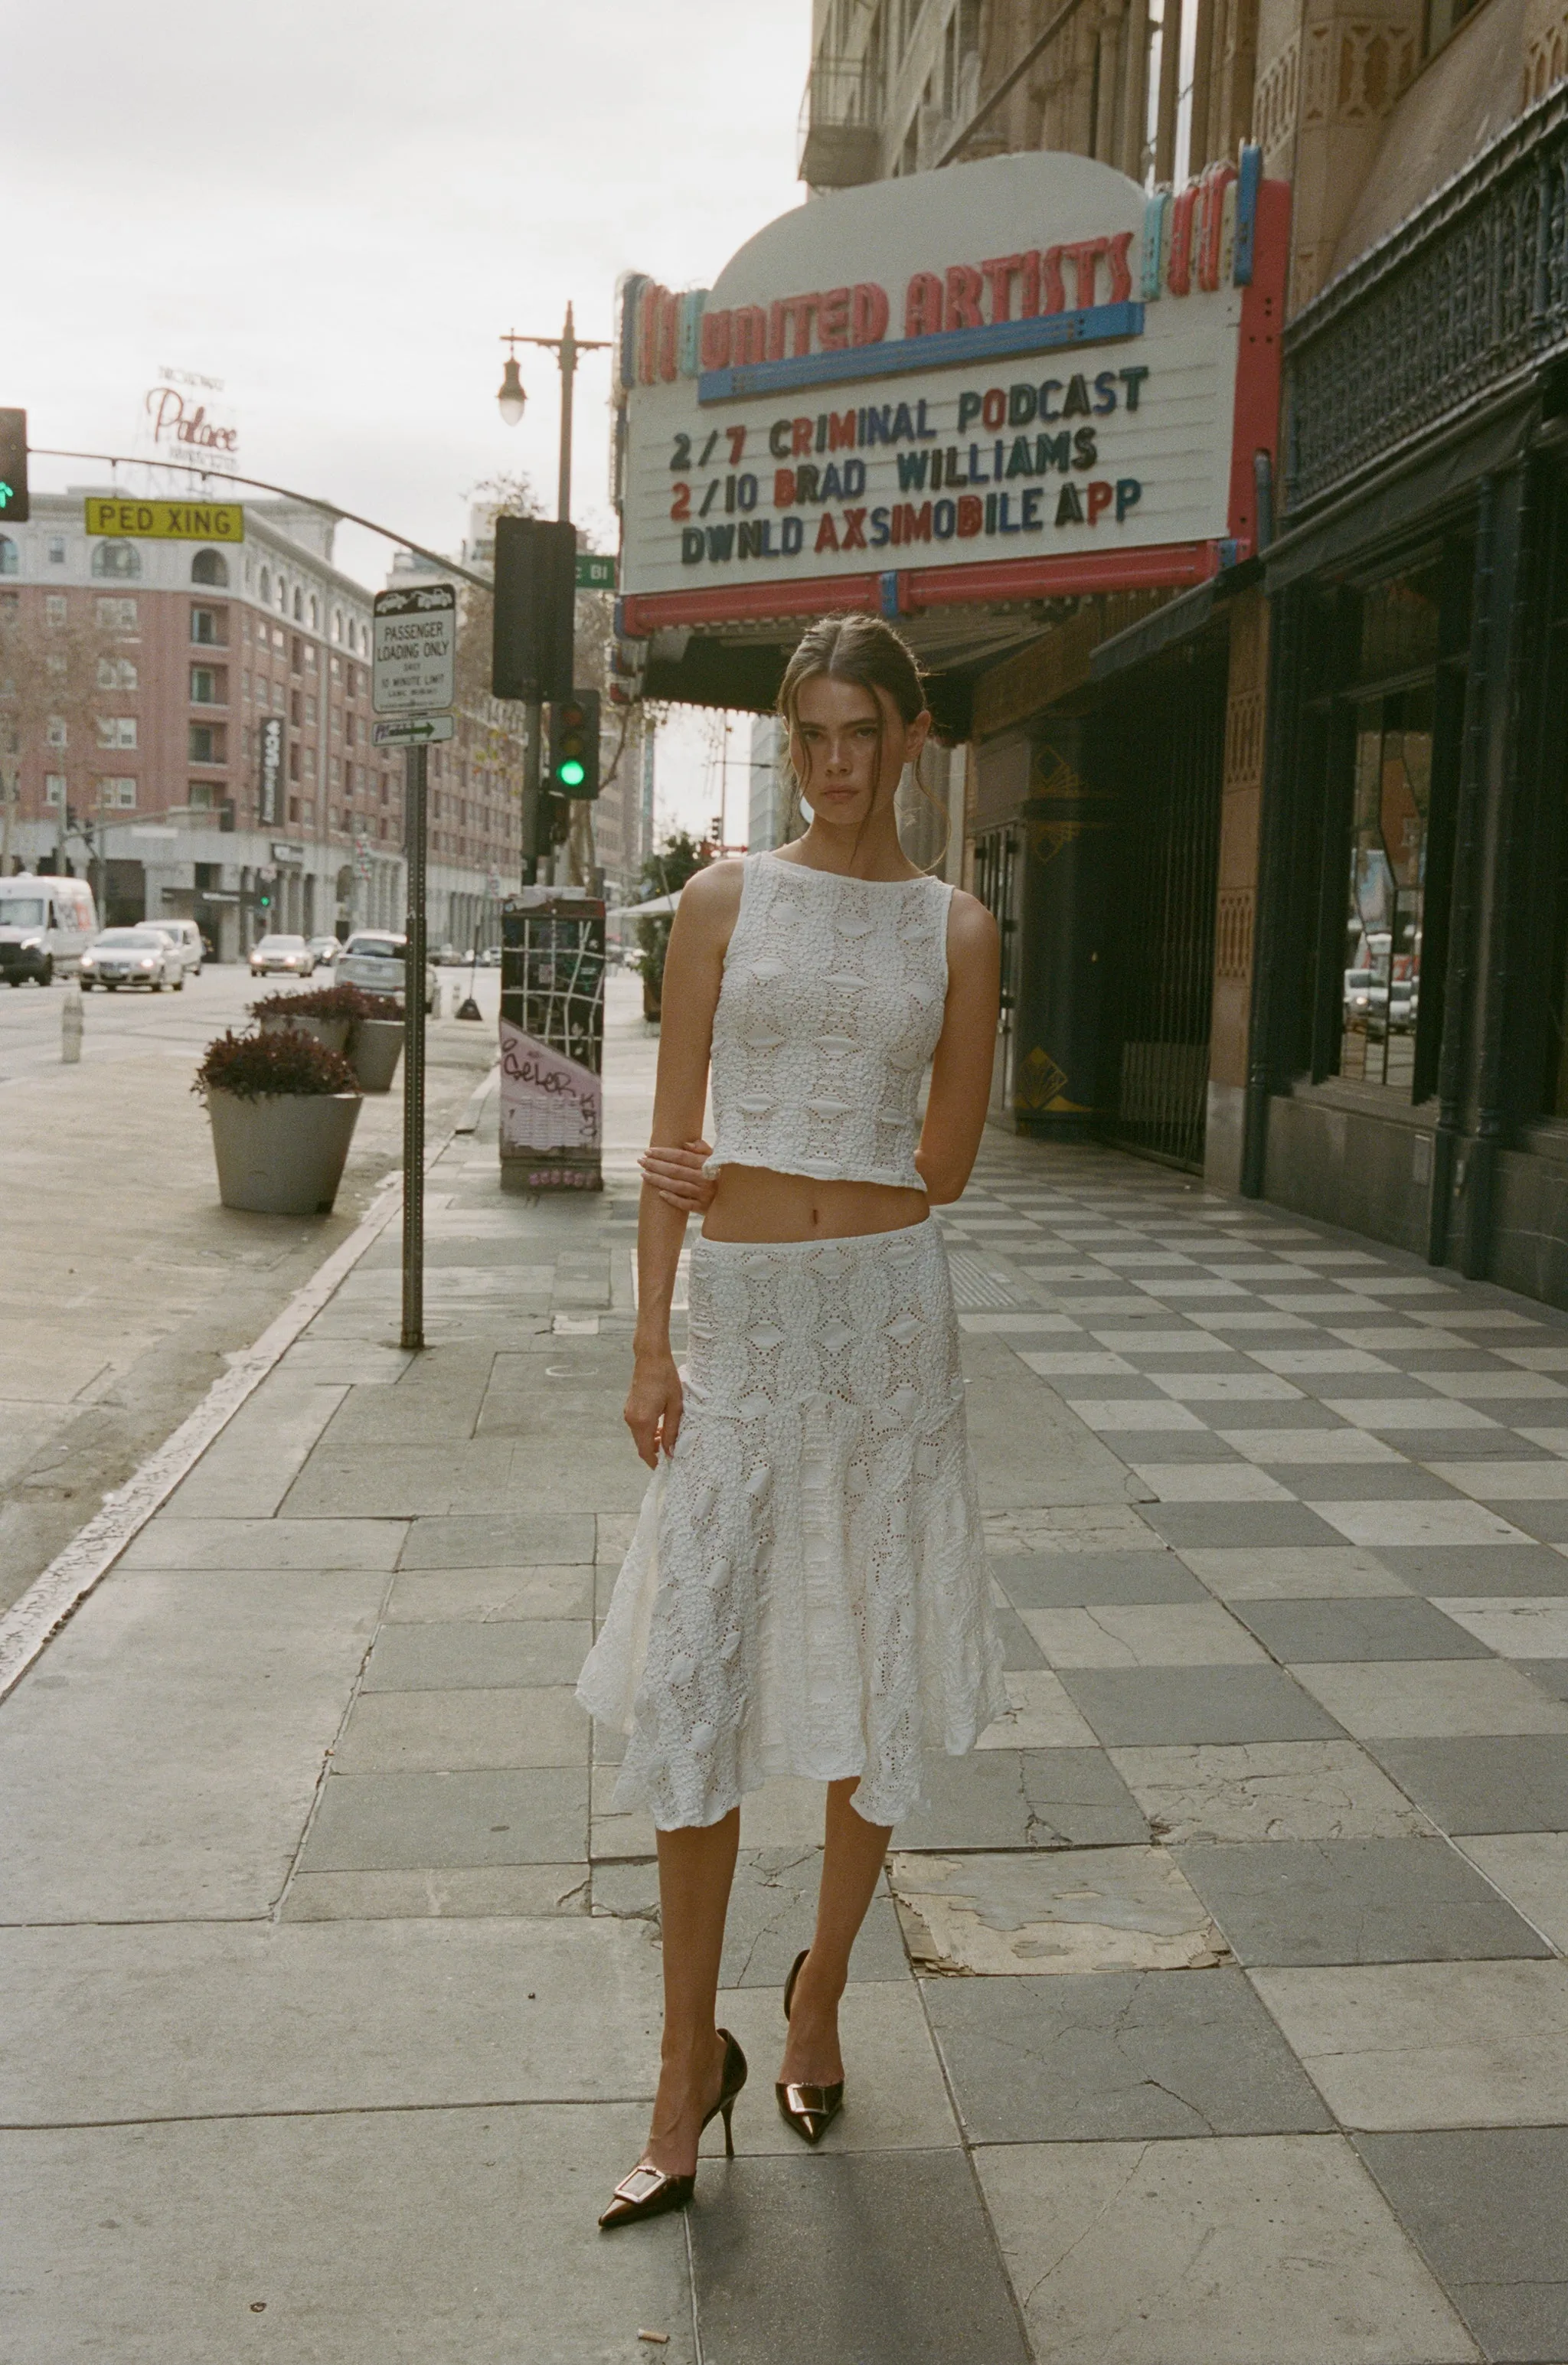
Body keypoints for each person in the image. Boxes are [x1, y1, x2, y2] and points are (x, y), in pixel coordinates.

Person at [577, 612, 1004, 2229]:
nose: (835, 763)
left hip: (890, 1329)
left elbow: (946, 1161)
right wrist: (647, 1338)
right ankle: (681, 2068)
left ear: (909, 736)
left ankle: (819, 1990)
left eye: (861, 732)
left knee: (875, 1669)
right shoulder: (719, 900)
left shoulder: (956, 928)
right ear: (791, 736)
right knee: (695, 1682)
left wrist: (824, 1146)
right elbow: (672, 1134)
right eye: (812, 732)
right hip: (742, 1330)